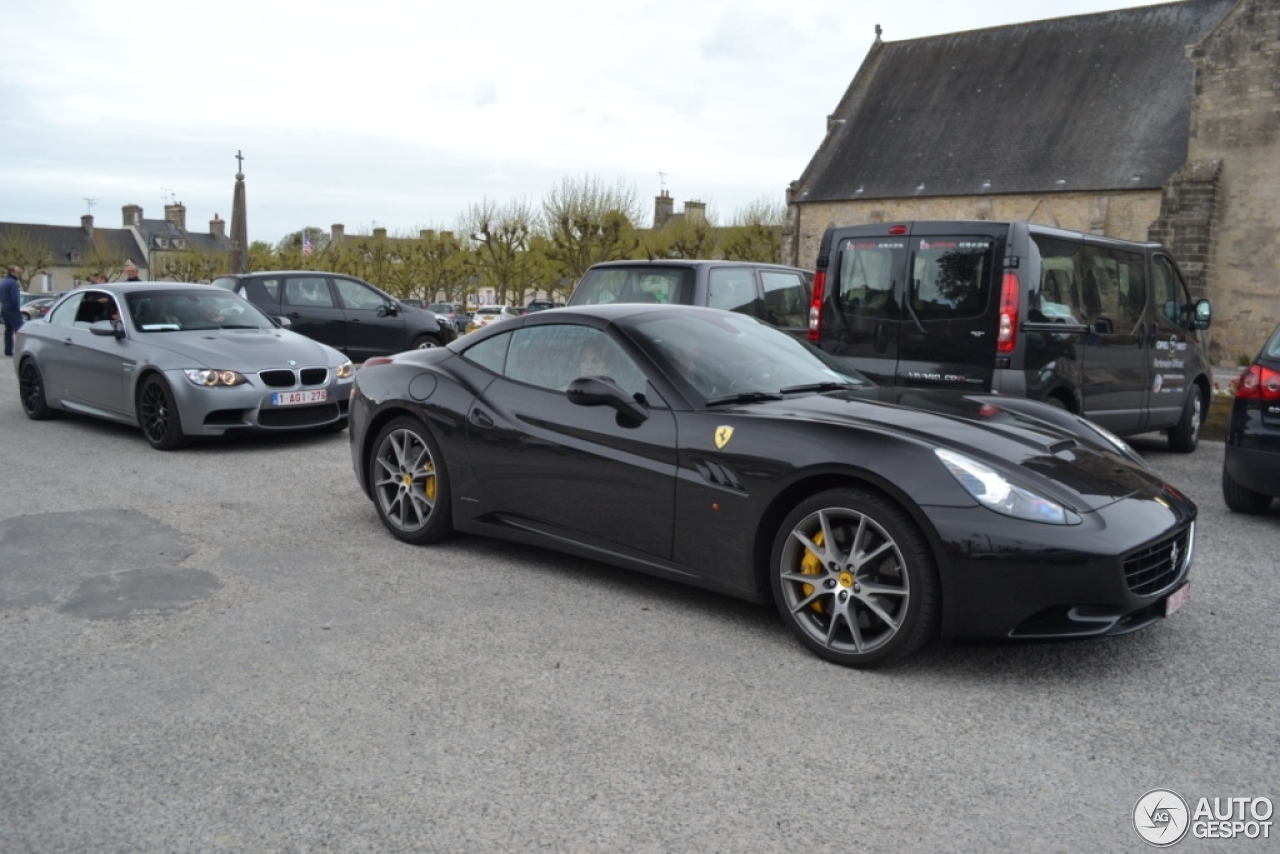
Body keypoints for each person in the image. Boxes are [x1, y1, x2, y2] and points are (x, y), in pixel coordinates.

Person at [1, 265, 25, 356]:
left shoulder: (3, 283)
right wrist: (17, 308)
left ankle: (8, 350)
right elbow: (15, 298)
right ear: (12, 272)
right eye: (18, 272)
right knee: (19, 329)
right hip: (12, 309)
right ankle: (21, 349)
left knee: (8, 330)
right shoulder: (13, 283)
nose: (19, 274)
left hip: (4, 308)